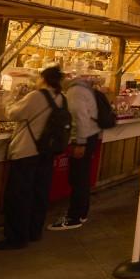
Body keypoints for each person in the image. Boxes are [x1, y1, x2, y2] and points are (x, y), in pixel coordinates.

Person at [2, 65, 68, 250]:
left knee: (19, 196)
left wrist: (10, 99)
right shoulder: (62, 98)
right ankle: (34, 231)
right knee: (40, 194)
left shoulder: (36, 96)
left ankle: (17, 237)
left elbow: (12, 114)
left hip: (27, 151)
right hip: (47, 153)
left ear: (43, 79)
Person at [50, 73, 101, 231]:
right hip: (90, 136)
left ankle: (74, 217)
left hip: (83, 139)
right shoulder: (85, 89)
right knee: (82, 178)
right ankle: (81, 213)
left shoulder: (75, 92)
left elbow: (80, 118)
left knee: (78, 177)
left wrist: (80, 143)